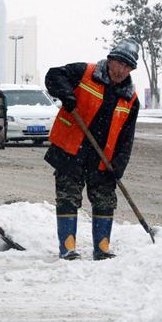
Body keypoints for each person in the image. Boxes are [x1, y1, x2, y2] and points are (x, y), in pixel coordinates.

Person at [44, 39, 141, 260]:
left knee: (105, 200)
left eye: (127, 67)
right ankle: (67, 248)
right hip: (71, 150)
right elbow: (53, 75)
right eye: (119, 64)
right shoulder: (84, 72)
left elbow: (127, 137)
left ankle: (102, 249)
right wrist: (66, 94)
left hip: (102, 158)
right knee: (68, 197)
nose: (121, 70)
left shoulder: (130, 98)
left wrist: (119, 164)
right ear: (110, 60)